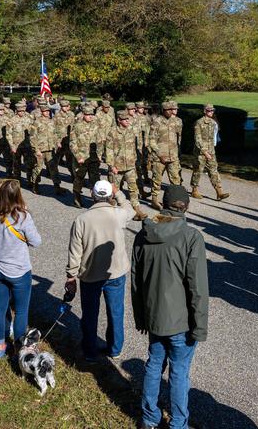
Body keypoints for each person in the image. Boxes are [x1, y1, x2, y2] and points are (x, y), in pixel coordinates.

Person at [132, 185, 209, 429]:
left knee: (154, 365)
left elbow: (136, 281)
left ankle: (149, 419)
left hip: (154, 317)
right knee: (178, 372)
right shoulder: (191, 237)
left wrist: (141, 318)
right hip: (181, 321)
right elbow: (198, 288)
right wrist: (200, 326)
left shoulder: (143, 234)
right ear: (186, 207)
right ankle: (178, 424)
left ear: (163, 204)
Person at [66, 180, 136, 362]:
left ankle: (90, 351)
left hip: (90, 275)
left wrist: (71, 276)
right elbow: (132, 210)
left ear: (92, 194)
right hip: (116, 273)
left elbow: (75, 252)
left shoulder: (81, 220)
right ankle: (115, 348)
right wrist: (119, 192)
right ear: (110, 195)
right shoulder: (118, 214)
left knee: (90, 314)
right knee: (116, 312)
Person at [0, 179, 42, 358]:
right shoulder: (22, 216)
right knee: (21, 310)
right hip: (19, 270)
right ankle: (19, 347)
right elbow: (36, 241)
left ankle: (0, 346)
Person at [147, 101, 183, 211]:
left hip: (173, 156)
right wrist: (159, 154)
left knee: (176, 179)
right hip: (159, 157)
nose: (170, 111)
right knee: (157, 179)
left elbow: (178, 138)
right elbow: (151, 140)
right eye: (168, 110)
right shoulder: (156, 122)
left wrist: (177, 152)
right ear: (163, 111)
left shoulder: (176, 121)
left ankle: (175, 200)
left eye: (171, 109)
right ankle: (154, 200)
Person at [190, 104, 230, 201]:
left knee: (214, 171)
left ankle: (219, 192)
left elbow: (214, 139)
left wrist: (212, 151)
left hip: (211, 152)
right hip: (200, 152)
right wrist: (205, 152)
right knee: (198, 171)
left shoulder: (213, 123)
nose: (211, 112)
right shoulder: (199, 123)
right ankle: (194, 190)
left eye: (212, 110)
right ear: (204, 111)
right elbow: (197, 139)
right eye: (209, 110)